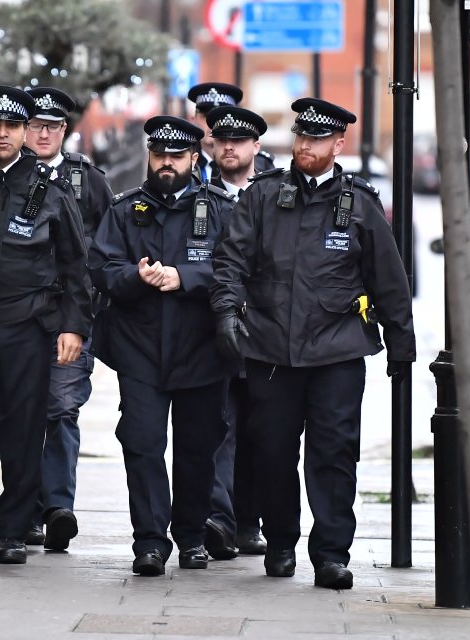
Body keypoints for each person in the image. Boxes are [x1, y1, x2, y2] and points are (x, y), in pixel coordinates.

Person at [210, 97, 415, 588]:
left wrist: (401, 343)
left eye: (318, 139)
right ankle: (281, 543)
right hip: (271, 350)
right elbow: (230, 260)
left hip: (337, 350)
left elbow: (388, 279)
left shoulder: (360, 203)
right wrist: (225, 311)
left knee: (334, 453)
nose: (306, 146)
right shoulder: (262, 196)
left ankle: (331, 554)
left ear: (337, 144)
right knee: (272, 452)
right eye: (301, 137)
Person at [0, 85, 92, 565]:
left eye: (11, 126)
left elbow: (75, 264)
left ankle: (11, 529)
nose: (2, 134)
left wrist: (74, 326)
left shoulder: (52, 187)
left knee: (22, 428)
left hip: (28, 323)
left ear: (26, 131)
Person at [89, 115, 236, 576]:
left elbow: (240, 270)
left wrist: (184, 277)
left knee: (197, 448)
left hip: (202, 351)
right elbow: (101, 268)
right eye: (159, 155)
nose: (166, 163)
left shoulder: (220, 210)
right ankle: (150, 542)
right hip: (140, 352)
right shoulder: (125, 209)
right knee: (143, 445)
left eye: (176, 155)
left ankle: (191, 537)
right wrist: (137, 276)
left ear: (195, 158)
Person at [22, 86, 114, 549]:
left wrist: (85, 312)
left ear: (64, 131)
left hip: (69, 315)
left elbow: (105, 249)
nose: (42, 134)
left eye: (51, 127)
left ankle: (56, 507)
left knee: (61, 407)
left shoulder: (89, 181)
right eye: (35, 125)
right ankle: (22, 510)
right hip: (14, 316)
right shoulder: (5, 177)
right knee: (18, 412)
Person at [201, 105, 270, 560]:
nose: (229, 147)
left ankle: (249, 520)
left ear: (255, 147)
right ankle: (220, 522)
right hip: (211, 333)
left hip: (264, 332)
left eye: (239, 141)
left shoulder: (273, 195)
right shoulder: (197, 197)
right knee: (218, 429)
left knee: (259, 432)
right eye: (222, 140)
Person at [186, 82, 275, 183]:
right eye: (206, 116)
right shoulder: (183, 161)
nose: (213, 125)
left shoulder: (261, 164)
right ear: (193, 119)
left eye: (221, 118)